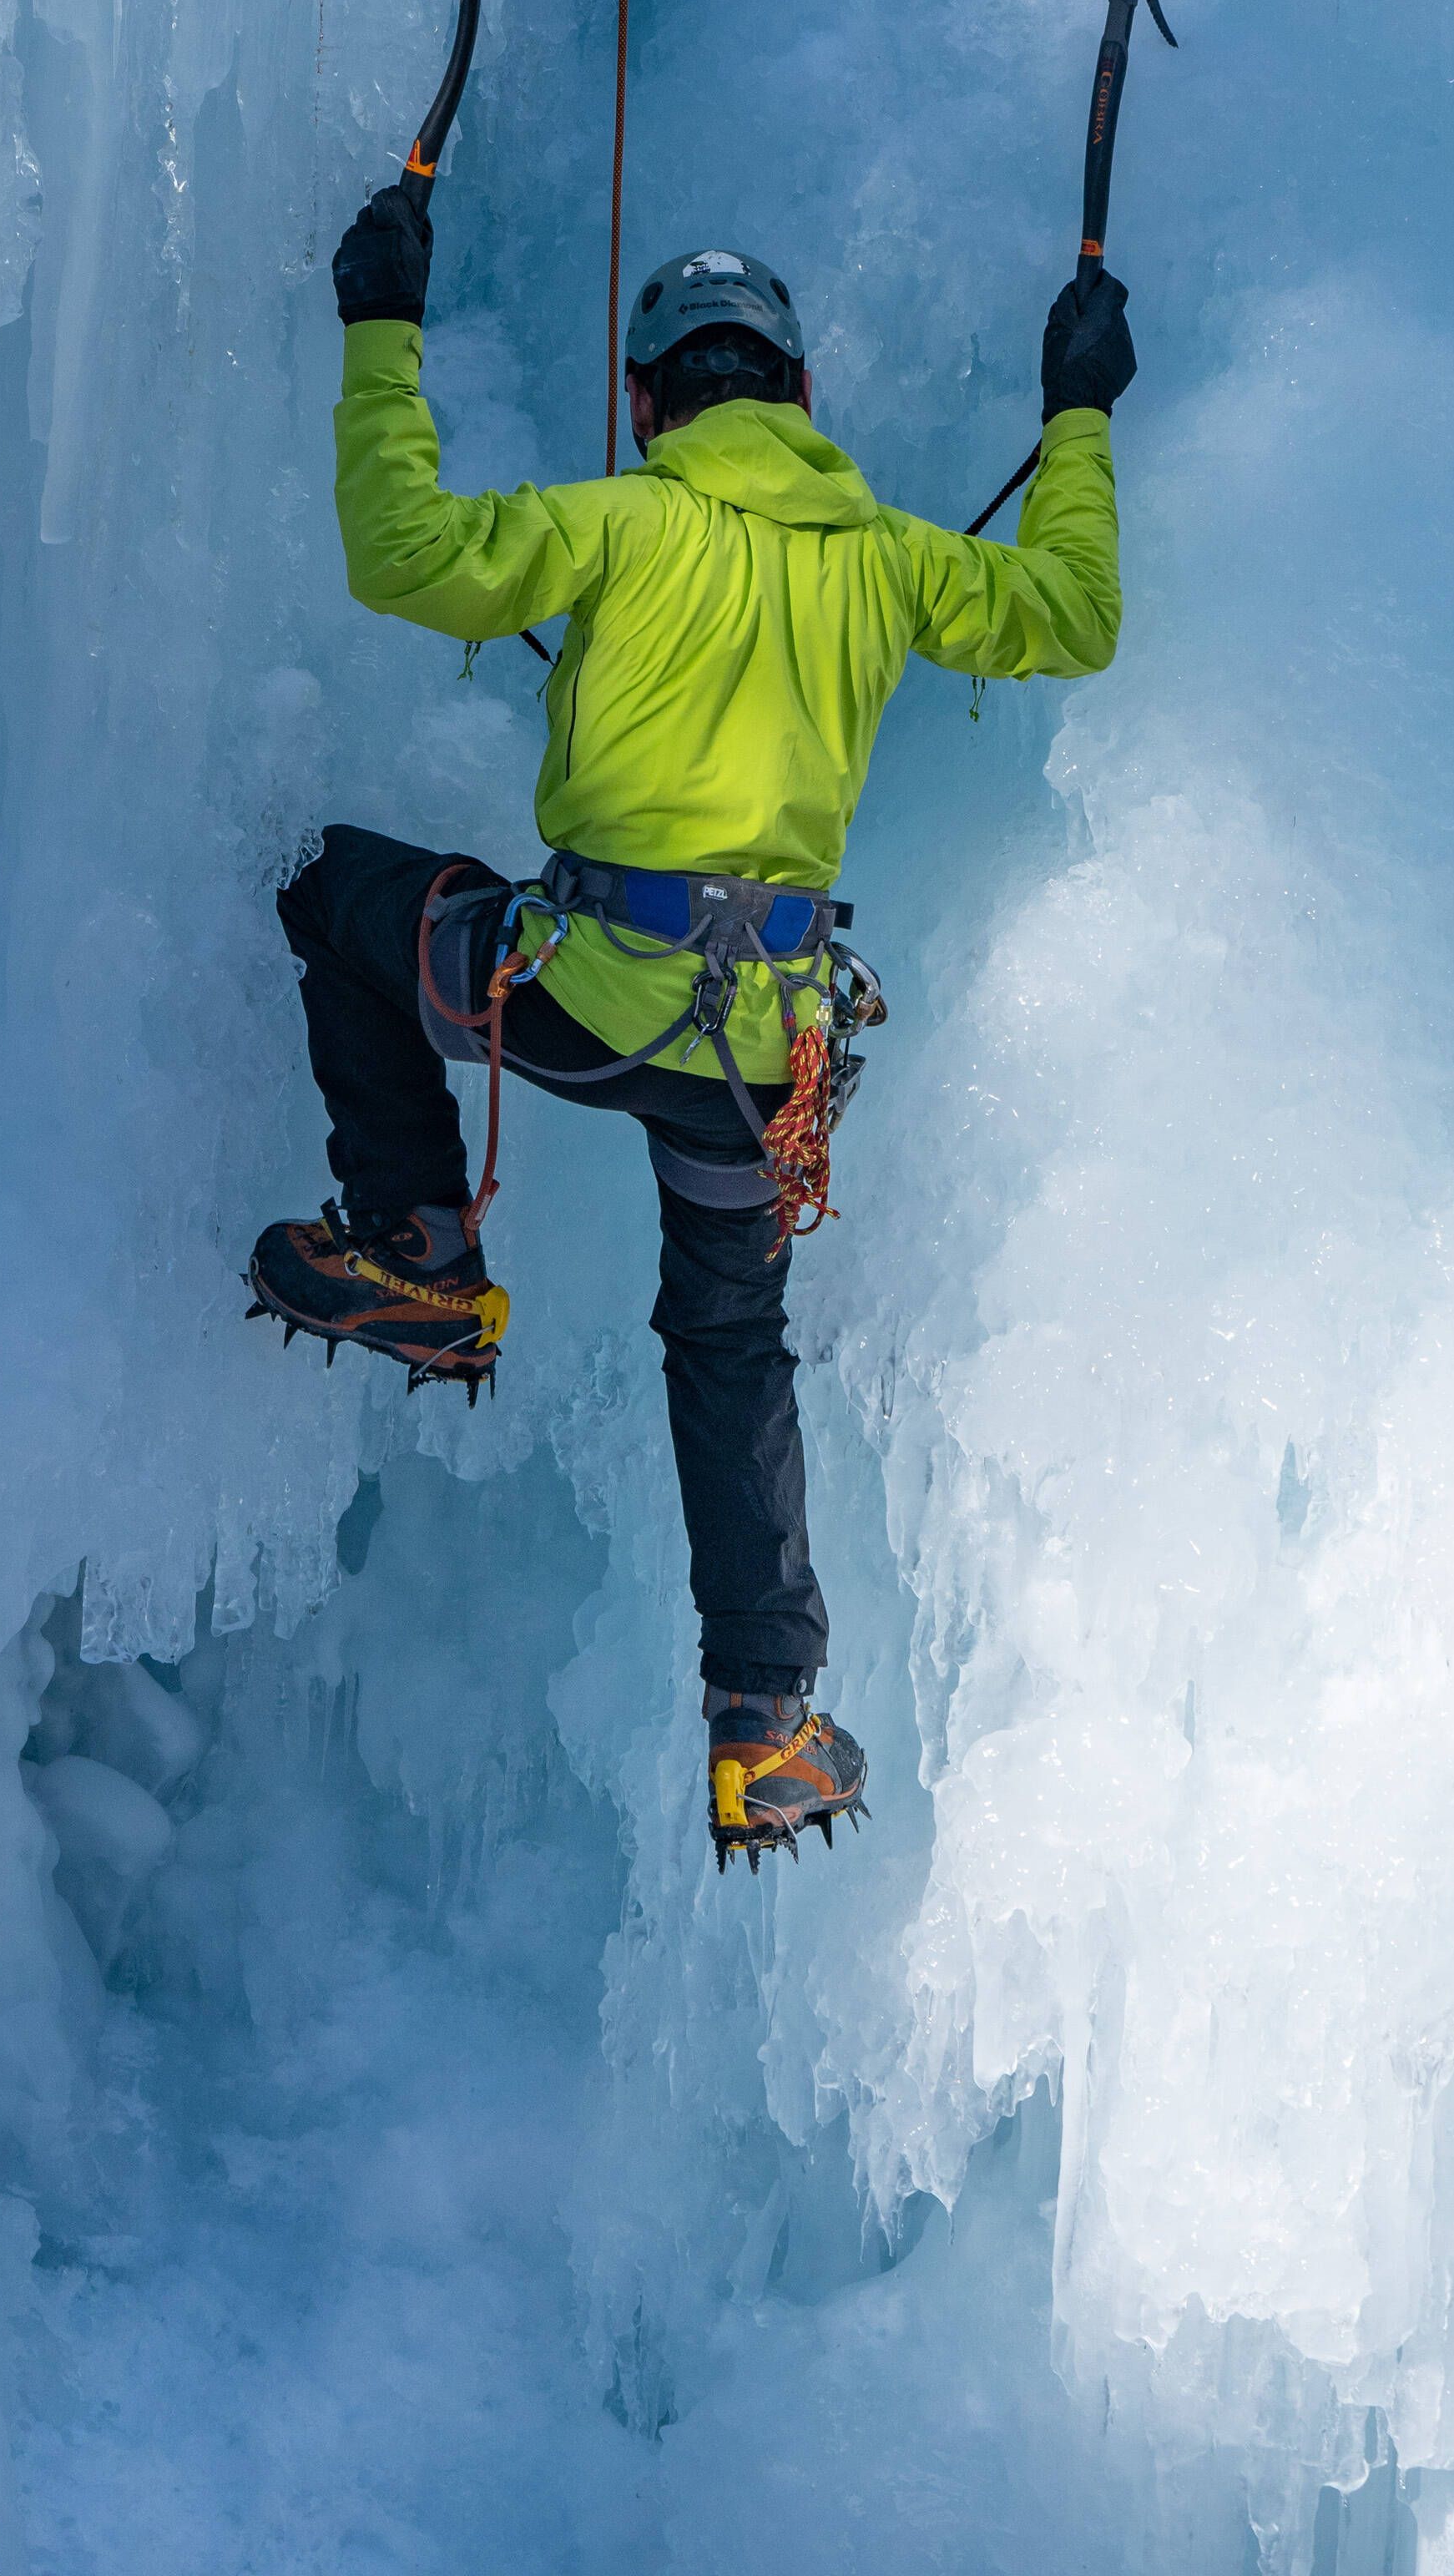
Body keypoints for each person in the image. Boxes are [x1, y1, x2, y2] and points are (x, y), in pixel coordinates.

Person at [255, 179, 1128, 1865]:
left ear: (647, 400)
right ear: (802, 400)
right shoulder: (887, 560)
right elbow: (1069, 612)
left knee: (334, 896)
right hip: (759, 1065)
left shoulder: (617, 521)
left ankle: (423, 1247)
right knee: (728, 1344)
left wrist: (382, 327)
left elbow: (405, 553)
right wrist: (1076, 416)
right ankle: (766, 1729)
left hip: (577, 998)